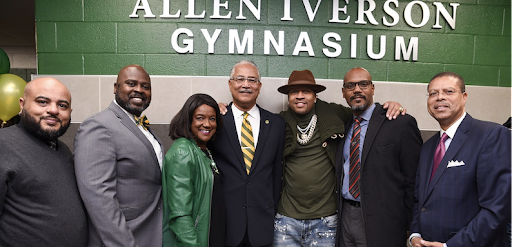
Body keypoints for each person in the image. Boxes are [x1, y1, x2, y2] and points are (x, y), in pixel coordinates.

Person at [409, 72, 511, 247]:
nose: (439, 97)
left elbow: (497, 208)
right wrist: (414, 234)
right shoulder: (428, 147)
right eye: (433, 93)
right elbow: (420, 200)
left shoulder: (491, 135)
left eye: (448, 91)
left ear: (464, 97)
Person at [74, 64, 164, 247]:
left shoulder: (143, 127)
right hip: (124, 238)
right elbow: (99, 198)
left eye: (145, 86)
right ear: (116, 88)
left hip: (150, 232)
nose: (138, 90)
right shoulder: (98, 126)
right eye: (131, 84)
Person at [334, 67, 422, 247]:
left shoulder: (399, 122)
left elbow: (414, 180)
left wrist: (410, 225)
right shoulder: (345, 123)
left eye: (363, 84)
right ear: (343, 92)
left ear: (372, 88)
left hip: (383, 222)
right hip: (346, 216)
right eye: (350, 86)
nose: (357, 89)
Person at [0, 77, 87, 246]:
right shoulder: (3, 145)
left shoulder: (63, 149)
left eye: (62, 105)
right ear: (22, 104)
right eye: (42, 102)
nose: (54, 110)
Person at [208, 60, 286, 247]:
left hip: (262, 223)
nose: (245, 85)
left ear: (259, 87)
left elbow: (276, 173)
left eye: (252, 80)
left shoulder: (276, 124)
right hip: (226, 221)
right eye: (240, 79)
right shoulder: (215, 120)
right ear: (230, 84)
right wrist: (212, 108)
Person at [162, 93, 225, 247]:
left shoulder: (204, 150)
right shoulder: (183, 151)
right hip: (193, 242)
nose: (207, 124)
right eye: (200, 118)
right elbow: (180, 213)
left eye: (212, 118)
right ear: (188, 120)